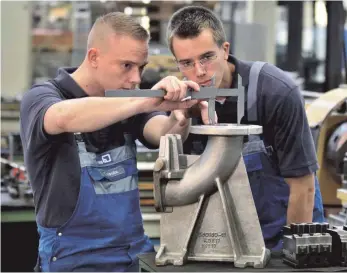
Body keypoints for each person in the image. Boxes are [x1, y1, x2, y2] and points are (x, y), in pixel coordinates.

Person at [20, 12, 211, 272]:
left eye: (141, 68)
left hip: (132, 254)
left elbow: (163, 134)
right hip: (74, 259)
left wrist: (182, 113)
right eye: (126, 66)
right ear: (94, 57)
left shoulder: (126, 98)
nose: (135, 79)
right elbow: (63, 118)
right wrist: (149, 98)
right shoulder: (43, 96)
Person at [166, 6, 325, 251]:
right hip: (224, 245)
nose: (199, 72)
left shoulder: (274, 91)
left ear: (225, 50)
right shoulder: (183, 104)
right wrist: (183, 119)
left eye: (207, 57)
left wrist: (291, 259)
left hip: (282, 241)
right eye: (187, 63)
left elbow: (303, 187)